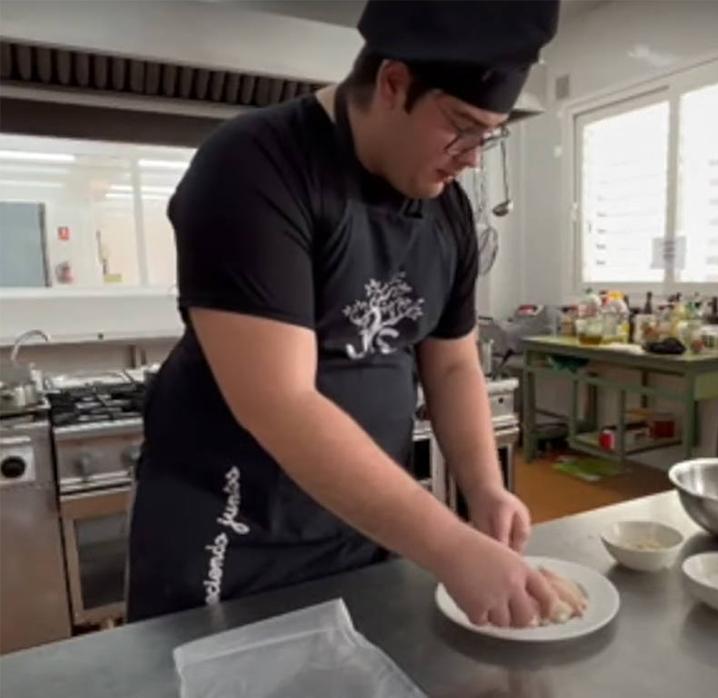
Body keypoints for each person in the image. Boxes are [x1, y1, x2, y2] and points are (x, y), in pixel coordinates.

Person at [126, 0, 566, 630]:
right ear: (393, 83)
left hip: (364, 525)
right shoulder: (254, 166)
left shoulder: (447, 213)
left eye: (488, 136)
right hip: (231, 537)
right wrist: (450, 545)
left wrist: (484, 487)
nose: (472, 157)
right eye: (462, 126)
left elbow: (452, 365)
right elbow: (280, 401)